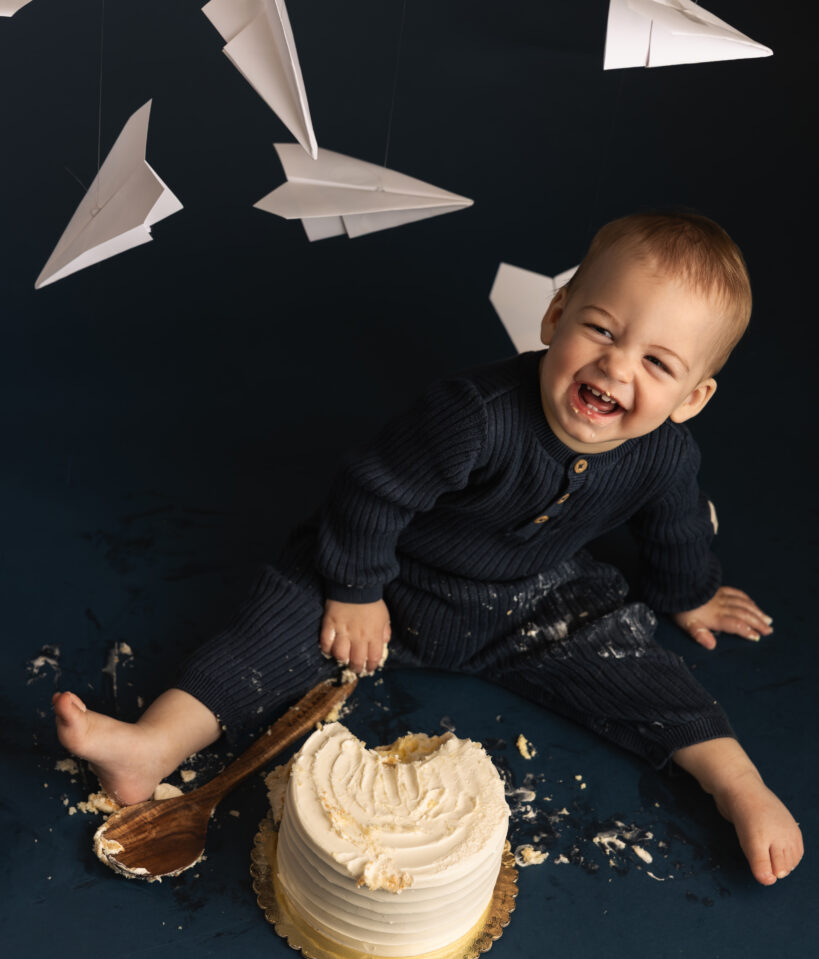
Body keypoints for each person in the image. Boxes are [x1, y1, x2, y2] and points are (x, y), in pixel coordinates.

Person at [52, 212, 803, 886]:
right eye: (601, 330)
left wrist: (689, 591)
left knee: (631, 663)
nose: (614, 366)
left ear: (691, 398)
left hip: (532, 601)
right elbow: (372, 494)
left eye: (657, 364)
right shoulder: (472, 415)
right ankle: (154, 743)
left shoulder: (665, 456)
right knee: (270, 630)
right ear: (554, 314)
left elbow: (671, 528)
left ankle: (736, 785)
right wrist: (352, 589)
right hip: (389, 581)